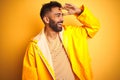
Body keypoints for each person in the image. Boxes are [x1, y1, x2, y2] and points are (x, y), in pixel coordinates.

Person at [22, 1, 100, 80]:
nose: (62, 19)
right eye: (58, 15)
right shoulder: (34, 47)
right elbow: (29, 77)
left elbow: (94, 27)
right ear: (46, 19)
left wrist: (79, 12)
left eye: (62, 15)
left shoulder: (72, 33)